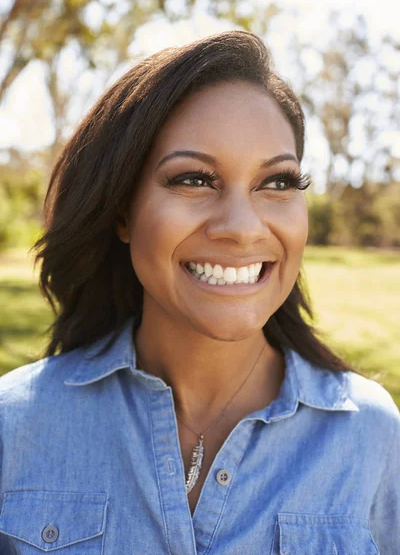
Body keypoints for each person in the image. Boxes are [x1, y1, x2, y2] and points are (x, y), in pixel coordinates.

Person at [0, 30, 398, 554]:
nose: (242, 227)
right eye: (194, 179)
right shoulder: (17, 424)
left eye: (276, 183)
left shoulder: (371, 435)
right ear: (123, 210)